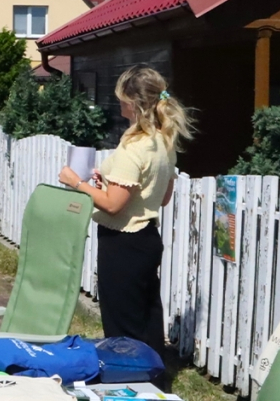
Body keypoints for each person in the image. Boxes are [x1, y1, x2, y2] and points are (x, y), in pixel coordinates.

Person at [58, 65, 194, 376]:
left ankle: (126, 381)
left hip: (123, 243)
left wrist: (76, 183)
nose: (119, 105)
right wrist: (107, 182)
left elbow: (114, 206)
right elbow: (161, 196)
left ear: (134, 104)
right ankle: (153, 378)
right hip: (147, 238)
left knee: (121, 324)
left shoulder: (134, 147)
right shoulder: (164, 141)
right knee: (147, 316)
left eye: (122, 99)